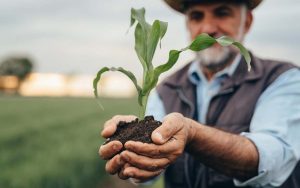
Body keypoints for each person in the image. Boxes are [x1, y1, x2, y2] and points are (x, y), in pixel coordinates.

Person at [99, 0, 300, 187]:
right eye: (196, 16)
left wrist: (192, 134)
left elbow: (274, 158)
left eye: (222, 13)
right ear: (188, 24)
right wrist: (134, 154)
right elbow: (151, 170)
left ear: (246, 22)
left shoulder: (282, 78)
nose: (207, 28)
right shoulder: (167, 89)